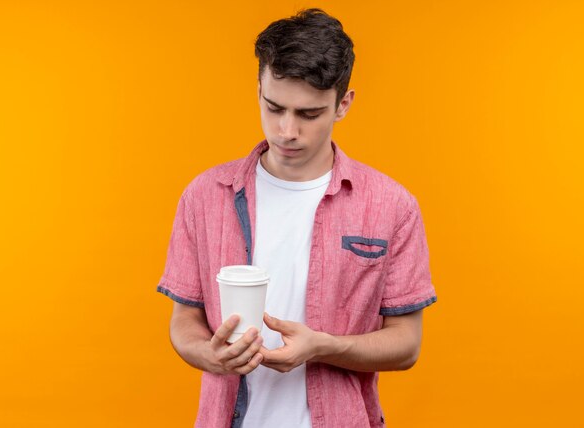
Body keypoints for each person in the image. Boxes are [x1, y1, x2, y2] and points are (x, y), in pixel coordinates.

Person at [157, 8, 437, 428]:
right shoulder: (204, 196)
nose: (287, 130)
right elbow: (184, 321)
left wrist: (321, 347)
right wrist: (209, 355)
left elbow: (406, 344)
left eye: (309, 114)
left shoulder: (392, 205)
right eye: (274, 107)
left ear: (343, 104)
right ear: (258, 90)